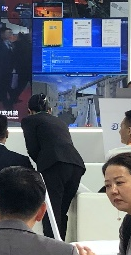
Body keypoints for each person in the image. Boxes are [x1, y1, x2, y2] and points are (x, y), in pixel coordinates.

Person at [21, 92, 87, 238]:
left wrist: (42, 165)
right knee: (62, 211)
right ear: (49, 110)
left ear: (29, 111)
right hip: (76, 165)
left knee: (51, 212)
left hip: (54, 165)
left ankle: (51, 247)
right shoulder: (60, 122)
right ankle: (61, 245)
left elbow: (32, 149)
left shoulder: (29, 121)